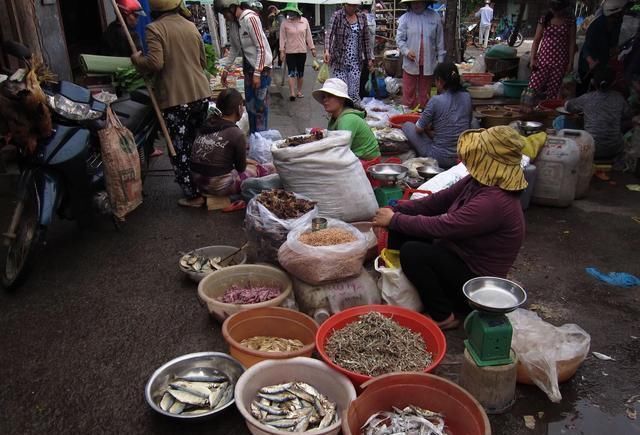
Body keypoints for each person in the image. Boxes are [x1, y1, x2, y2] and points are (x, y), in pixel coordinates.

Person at [372, 126, 527, 330]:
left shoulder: (495, 201)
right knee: (403, 227)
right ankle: (411, 291)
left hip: (475, 279)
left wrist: (394, 220)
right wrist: (397, 208)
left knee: (414, 252)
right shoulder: (477, 182)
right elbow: (436, 202)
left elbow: (443, 226)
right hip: (455, 253)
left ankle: (443, 315)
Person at [131, 0, 211, 208]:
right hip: (201, 93)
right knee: (197, 143)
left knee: (179, 147)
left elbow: (155, 64)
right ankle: (205, 186)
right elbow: (202, 61)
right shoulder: (190, 25)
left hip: (176, 98)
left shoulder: (155, 28)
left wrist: (137, 60)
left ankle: (192, 195)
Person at [192, 89, 274, 198]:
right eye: (242, 106)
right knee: (268, 167)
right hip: (217, 187)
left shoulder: (207, 123)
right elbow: (241, 168)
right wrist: (251, 163)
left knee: (250, 162)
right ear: (239, 108)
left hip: (197, 182)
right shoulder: (236, 133)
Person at [401, 62, 471, 169]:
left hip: (439, 157)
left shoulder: (436, 100)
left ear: (439, 81)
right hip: (462, 155)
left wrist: (428, 129)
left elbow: (418, 129)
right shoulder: (467, 97)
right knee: (474, 121)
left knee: (407, 125)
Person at [219, 0, 273, 133]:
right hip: (248, 68)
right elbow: (234, 49)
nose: (224, 17)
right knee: (249, 107)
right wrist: (226, 69)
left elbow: (260, 47)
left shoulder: (251, 19)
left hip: (262, 69)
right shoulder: (233, 24)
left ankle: (261, 140)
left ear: (232, 8)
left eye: (224, 13)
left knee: (260, 107)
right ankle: (254, 136)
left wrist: (257, 73)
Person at [566, 67, 632, 159]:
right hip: (615, 149)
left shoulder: (587, 98)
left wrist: (571, 93)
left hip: (591, 148)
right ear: (613, 83)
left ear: (593, 82)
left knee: (562, 120)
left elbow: (568, 107)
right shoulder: (619, 97)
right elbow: (628, 114)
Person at [312, 78, 381, 161]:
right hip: (354, 156)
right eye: (324, 97)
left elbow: (340, 151)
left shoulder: (347, 119)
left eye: (330, 96)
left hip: (368, 160)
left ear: (341, 99)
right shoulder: (334, 118)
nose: (325, 100)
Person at [396, 0, 446, 110]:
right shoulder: (405, 18)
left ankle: (424, 117)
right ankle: (407, 116)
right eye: (414, 3)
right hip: (411, 62)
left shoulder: (435, 17)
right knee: (409, 92)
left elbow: (440, 41)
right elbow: (399, 40)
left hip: (429, 62)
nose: (416, 5)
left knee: (425, 93)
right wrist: (407, 51)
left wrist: (441, 61)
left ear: (425, 2)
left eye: (419, 2)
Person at [324, 0, 374, 106]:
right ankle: (338, 116)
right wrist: (327, 50)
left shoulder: (361, 17)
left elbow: (366, 39)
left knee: (354, 93)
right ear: (345, 4)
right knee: (340, 92)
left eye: (354, 5)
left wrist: (369, 59)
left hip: (356, 62)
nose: (351, 8)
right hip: (339, 61)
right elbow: (329, 34)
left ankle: (354, 114)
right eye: (349, 5)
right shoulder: (337, 16)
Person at [527, 0, 576, 102]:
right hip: (543, 60)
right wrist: (532, 59)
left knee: (553, 91)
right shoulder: (544, 19)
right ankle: (527, 108)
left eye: (559, 9)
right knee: (533, 88)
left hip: (561, 62)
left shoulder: (570, 20)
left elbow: (572, 42)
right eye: (554, 9)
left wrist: (570, 62)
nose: (556, 12)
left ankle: (548, 113)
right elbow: (536, 40)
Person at [577, 0, 627, 95]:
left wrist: (613, 55)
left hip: (602, 62)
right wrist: (591, 61)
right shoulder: (596, 25)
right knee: (582, 89)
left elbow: (613, 44)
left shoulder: (617, 24)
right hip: (588, 62)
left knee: (597, 90)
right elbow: (587, 48)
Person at [279, 3, 316, 101]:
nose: (290, 13)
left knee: (300, 73)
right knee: (291, 72)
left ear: (297, 11)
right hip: (290, 51)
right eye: (289, 11)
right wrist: (282, 51)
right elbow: (282, 38)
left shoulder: (304, 21)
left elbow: (309, 36)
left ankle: (299, 91)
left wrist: (312, 48)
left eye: (292, 11)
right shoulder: (285, 23)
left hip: (302, 51)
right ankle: (292, 93)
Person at [359, 0, 377, 99]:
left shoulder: (360, 18)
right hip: (370, 55)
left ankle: (361, 101)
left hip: (362, 56)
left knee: (361, 81)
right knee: (367, 80)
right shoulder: (372, 18)